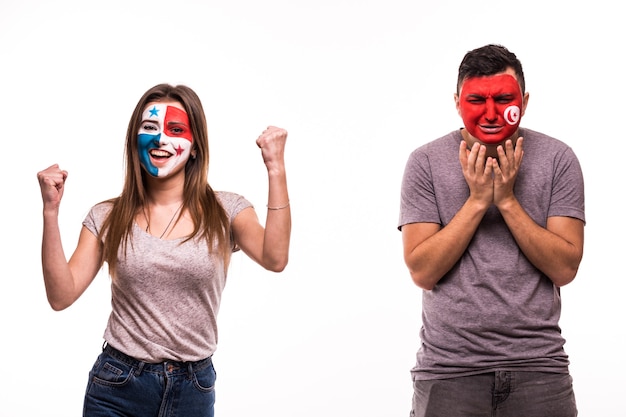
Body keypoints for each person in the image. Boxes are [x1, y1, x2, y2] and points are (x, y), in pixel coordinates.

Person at [37, 83, 291, 417]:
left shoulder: (226, 211)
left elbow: (275, 257)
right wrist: (50, 211)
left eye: (175, 129)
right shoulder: (108, 216)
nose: (160, 140)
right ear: (135, 140)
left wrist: (275, 168)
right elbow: (61, 295)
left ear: (196, 145)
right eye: (150, 128)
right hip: (117, 386)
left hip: (193, 388)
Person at [398, 44, 584, 417]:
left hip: (539, 371)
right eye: (476, 100)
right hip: (448, 373)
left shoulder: (557, 158)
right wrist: (479, 201)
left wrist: (509, 202)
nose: (491, 113)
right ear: (456, 102)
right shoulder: (425, 162)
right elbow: (422, 270)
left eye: (503, 99)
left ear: (525, 100)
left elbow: (565, 268)